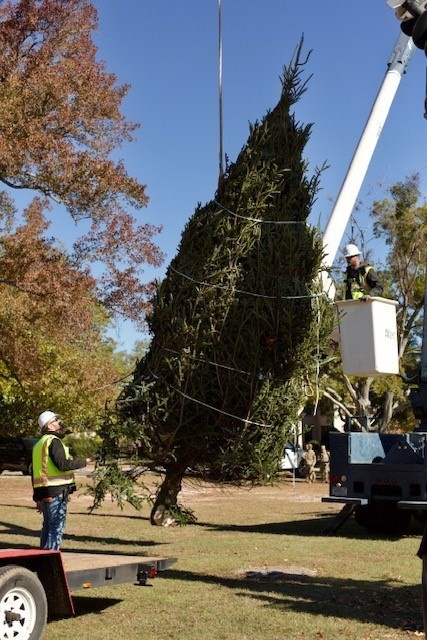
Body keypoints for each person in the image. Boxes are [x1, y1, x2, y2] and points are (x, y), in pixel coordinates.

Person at [32, 410, 97, 550]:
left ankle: (43, 560)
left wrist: (37, 498)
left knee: (47, 525)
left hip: (44, 492)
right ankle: (50, 560)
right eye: (56, 419)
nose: (59, 422)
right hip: (56, 491)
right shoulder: (53, 442)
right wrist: (87, 461)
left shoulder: (39, 444)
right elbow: (63, 465)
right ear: (49, 426)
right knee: (56, 526)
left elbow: (34, 472)